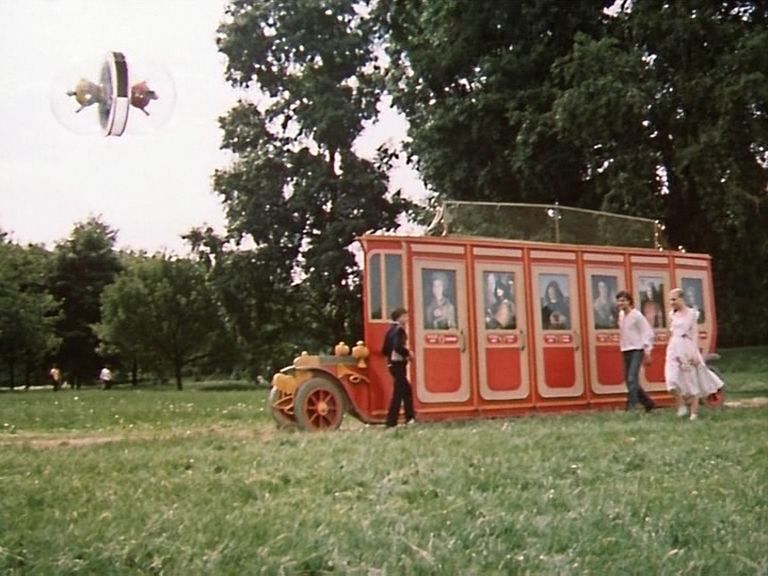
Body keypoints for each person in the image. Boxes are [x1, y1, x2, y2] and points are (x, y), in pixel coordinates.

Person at [665, 288, 724, 421]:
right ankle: (681, 404)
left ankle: (694, 413)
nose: (671, 302)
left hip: (687, 346)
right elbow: (671, 331)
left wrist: (694, 353)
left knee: (691, 380)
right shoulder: (672, 315)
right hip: (673, 347)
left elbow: (695, 334)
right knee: (671, 381)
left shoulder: (692, 314)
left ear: (681, 299)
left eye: (674, 299)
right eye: (670, 299)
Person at [616, 290, 656, 412]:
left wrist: (648, 351)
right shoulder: (621, 315)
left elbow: (647, 332)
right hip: (625, 349)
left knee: (632, 378)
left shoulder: (637, 315)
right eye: (618, 301)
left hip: (637, 349)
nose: (620, 303)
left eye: (623, 300)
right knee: (629, 380)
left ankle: (631, 407)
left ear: (629, 301)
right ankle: (648, 403)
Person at [382, 307, 415, 427]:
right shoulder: (399, 330)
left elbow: (385, 349)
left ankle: (409, 417)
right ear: (400, 317)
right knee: (399, 393)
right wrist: (408, 353)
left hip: (391, 364)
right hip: (399, 364)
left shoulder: (390, 330)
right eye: (405, 316)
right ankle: (392, 421)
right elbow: (398, 347)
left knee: (405, 391)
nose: (407, 318)